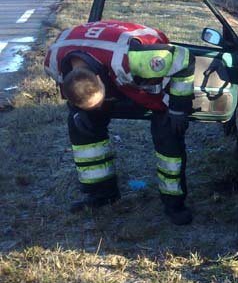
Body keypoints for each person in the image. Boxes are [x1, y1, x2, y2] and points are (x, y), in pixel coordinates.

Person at [44, 21, 196, 225]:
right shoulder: (52, 62)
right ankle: (102, 193)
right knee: (81, 125)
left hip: (153, 76)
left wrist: (178, 108)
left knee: (168, 135)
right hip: (109, 70)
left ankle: (174, 203)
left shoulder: (131, 58)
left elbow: (183, 58)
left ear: (100, 79)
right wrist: (79, 112)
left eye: (100, 101)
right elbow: (72, 92)